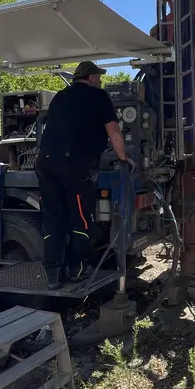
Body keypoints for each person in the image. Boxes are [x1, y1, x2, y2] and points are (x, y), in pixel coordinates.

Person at [36, 61, 131, 289]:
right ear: (90, 77)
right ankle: (77, 269)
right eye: (98, 76)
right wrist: (124, 160)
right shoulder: (99, 97)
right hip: (76, 166)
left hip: (46, 164)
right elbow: (115, 133)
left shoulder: (60, 96)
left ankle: (53, 275)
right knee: (80, 217)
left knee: (53, 218)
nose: (100, 80)